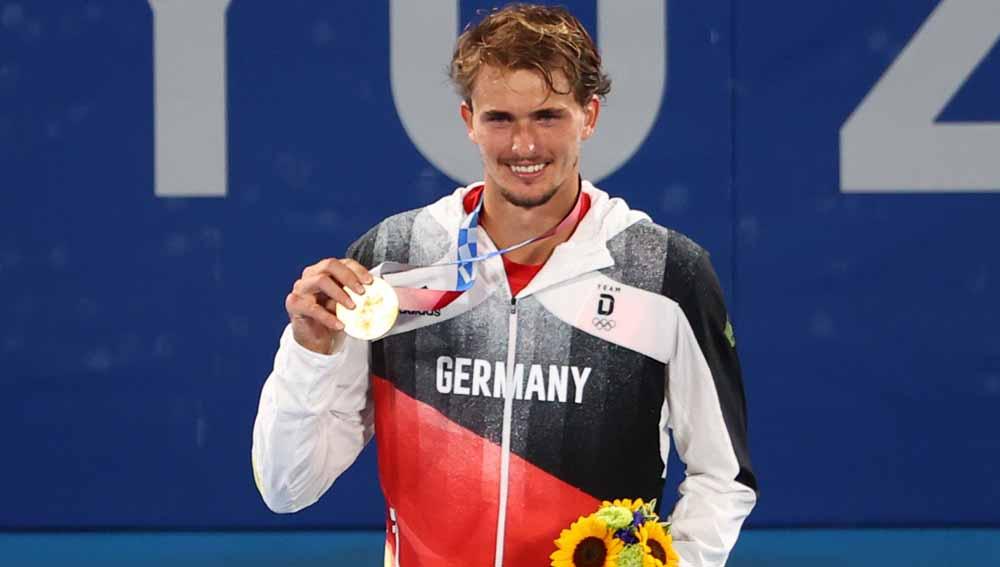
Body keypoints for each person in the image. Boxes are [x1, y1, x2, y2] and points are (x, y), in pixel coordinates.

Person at [252, 4, 756, 566]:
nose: (524, 145)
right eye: (500, 118)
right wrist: (309, 353)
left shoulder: (665, 273)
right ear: (468, 120)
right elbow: (286, 488)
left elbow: (723, 475)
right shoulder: (395, 260)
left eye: (547, 116)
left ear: (589, 116)